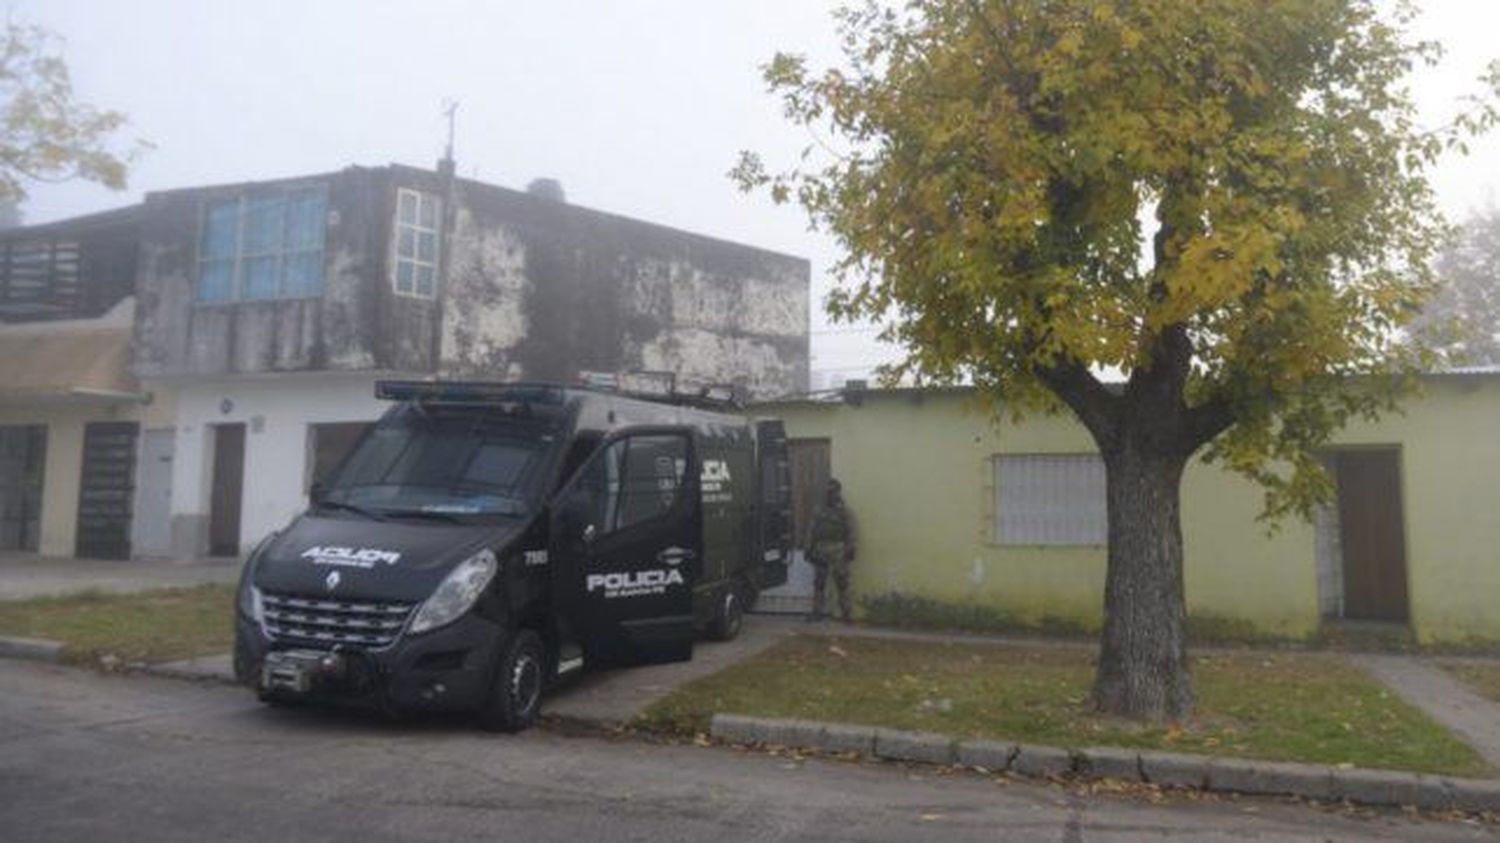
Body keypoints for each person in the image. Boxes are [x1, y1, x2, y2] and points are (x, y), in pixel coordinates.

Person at [806, 478, 855, 622]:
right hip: (820, 548)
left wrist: (851, 548)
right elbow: (811, 530)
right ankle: (816, 612)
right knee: (819, 583)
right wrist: (808, 548)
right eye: (828, 491)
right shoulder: (818, 509)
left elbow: (850, 531)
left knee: (842, 583)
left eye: (832, 491)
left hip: (838, 549)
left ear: (838, 492)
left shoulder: (844, 511)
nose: (830, 494)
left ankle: (846, 614)